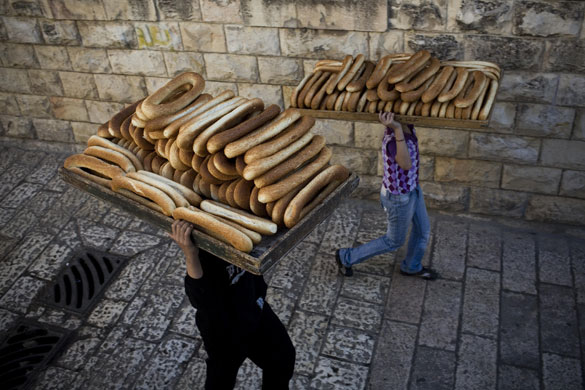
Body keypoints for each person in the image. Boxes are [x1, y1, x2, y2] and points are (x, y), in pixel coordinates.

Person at [169, 220, 295, 389]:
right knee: (221, 380)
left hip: (254, 309)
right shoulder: (204, 243)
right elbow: (199, 298)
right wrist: (190, 254)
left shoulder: (239, 226)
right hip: (223, 334)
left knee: (283, 357)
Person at [335, 111, 438, 280]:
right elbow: (405, 164)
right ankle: (346, 257)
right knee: (393, 241)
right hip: (398, 198)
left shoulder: (408, 126)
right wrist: (396, 129)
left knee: (423, 230)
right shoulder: (393, 139)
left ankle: (411, 266)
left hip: (413, 189)